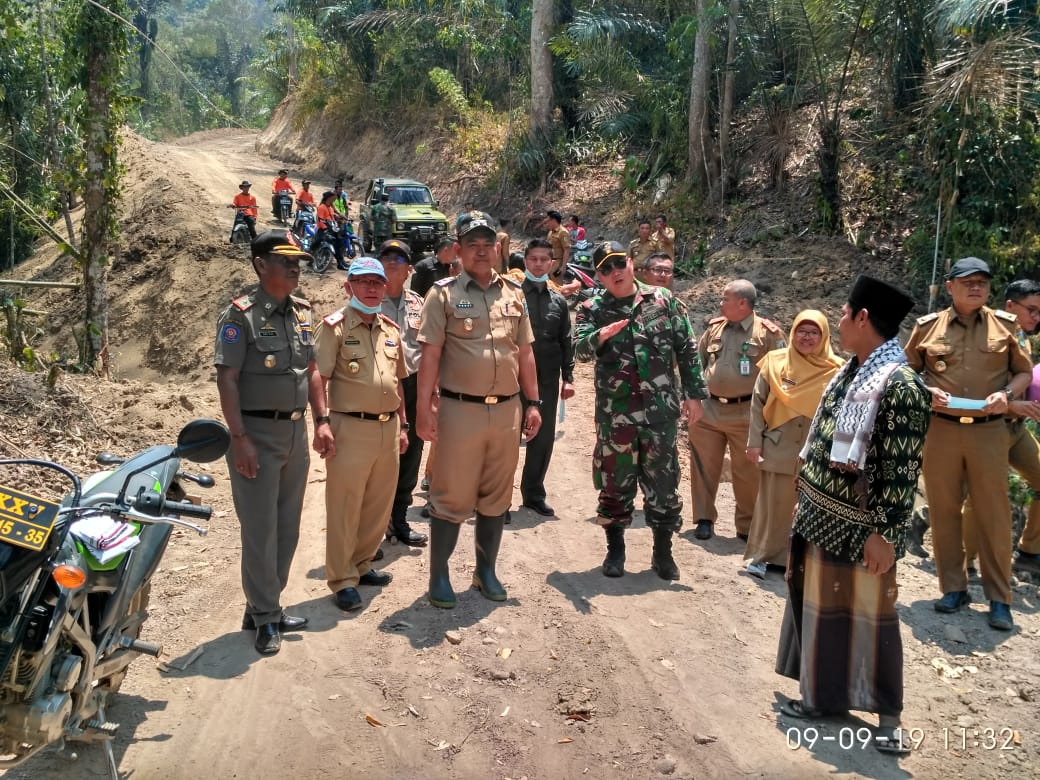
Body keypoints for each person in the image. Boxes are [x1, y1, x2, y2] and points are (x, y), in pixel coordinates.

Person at [775, 274, 929, 756]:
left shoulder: (900, 385)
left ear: (863, 318)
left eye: (842, 314)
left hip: (861, 529)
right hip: (820, 517)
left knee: (871, 616)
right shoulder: (851, 371)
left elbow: (901, 471)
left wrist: (884, 534)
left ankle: (888, 718)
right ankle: (821, 698)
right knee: (821, 612)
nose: (837, 321)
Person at [214, 229, 332, 656]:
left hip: (295, 433)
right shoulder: (239, 316)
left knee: (286, 527)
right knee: (260, 530)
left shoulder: (302, 311)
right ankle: (266, 616)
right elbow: (227, 378)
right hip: (255, 435)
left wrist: (322, 420)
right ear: (261, 264)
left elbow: (313, 370)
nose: (295, 266)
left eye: (298, 259)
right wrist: (239, 438)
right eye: (286, 260)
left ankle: (263, 605)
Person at [416, 211, 542, 609]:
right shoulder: (443, 294)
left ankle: (485, 571)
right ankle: (439, 576)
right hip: (459, 411)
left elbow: (525, 354)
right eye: (473, 244)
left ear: (498, 249)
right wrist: (423, 407)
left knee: (496, 495)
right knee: (451, 495)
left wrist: (533, 402)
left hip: (506, 412)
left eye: (489, 244)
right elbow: (430, 355)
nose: (482, 251)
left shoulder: (514, 294)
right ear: (458, 250)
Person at [905, 257, 1032, 631]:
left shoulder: (1005, 326)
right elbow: (906, 370)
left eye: (982, 282)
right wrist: (924, 390)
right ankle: (953, 588)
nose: (976, 287)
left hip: (989, 430)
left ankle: (999, 599)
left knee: (993, 512)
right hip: (941, 430)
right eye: (967, 282)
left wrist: (1006, 394)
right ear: (950, 287)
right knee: (944, 510)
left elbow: (1024, 371)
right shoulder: (927, 328)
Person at [573, 241, 707, 580]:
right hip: (616, 415)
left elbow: (687, 349)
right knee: (616, 484)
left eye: (619, 263)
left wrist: (695, 395)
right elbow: (579, 351)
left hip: (660, 413)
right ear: (599, 276)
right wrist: (600, 336)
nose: (614, 272)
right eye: (605, 268)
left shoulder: (664, 302)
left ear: (631, 263)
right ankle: (615, 550)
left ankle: (663, 553)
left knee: (663, 484)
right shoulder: (591, 308)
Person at [315, 257, 409, 612]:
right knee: (345, 506)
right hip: (349, 427)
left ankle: (362, 564)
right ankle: (341, 579)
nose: (371, 289)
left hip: (387, 428)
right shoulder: (334, 328)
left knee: (377, 504)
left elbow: (397, 381)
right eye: (364, 282)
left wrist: (403, 425)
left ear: (385, 287)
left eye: (377, 283)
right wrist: (321, 422)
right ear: (348, 286)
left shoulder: (390, 329)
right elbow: (319, 378)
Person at [744, 311, 843, 578]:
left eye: (814, 332)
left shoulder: (837, 369)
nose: (806, 337)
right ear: (792, 333)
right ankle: (763, 556)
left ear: (824, 337)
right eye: (801, 330)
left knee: (809, 507)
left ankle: (798, 560)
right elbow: (757, 406)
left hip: (816, 450)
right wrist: (754, 443)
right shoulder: (775, 363)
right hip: (778, 444)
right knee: (773, 504)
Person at [689, 280, 785, 541]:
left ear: (742, 303)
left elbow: (780, 376)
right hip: (708, 410)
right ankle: (704, 519)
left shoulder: (768, 334)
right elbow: (696, 364)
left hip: (746, 414)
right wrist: (691, 398)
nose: (720, 304)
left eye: (725, 299)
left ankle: (746, 526)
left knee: (748, 473)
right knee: (703, 466)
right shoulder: (714, 328)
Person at [961, 279, 1040, 576]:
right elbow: (970, 390)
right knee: (976, 496)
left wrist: (1028, 405)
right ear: (1010, 306)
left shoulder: (1022, 336)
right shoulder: (985, 338)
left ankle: (1029, 553)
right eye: (1031, 310)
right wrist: (1012, 405)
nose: (1036, 317)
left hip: (1016, 429)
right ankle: (962, 565)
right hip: (986, 428)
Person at [518, 238, 575, 517]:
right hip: (512, 379)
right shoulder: (513, 295)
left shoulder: (559, 301)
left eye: (544, 259)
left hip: (548, 381)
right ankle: (497, 499)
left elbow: (566, 340)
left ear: (552, 263)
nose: (539, 264)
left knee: (542, 439)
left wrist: (569, 377)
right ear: (525, 261)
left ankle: (533, 494)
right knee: (505, 440)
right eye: (534, 259)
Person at [378, 238, 429, 547]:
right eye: (387, 257)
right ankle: (376, 523)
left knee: (412, 453)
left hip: (413, 384)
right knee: (382, 455)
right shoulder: (369, 299)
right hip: (381, 387)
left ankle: (399, 519)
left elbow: (428, 347)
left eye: (399, 258)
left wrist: (431, 393)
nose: (392, 262)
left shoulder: (418, 303)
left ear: (410, 269)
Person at [315, 190, 345, 270]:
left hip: (331, 229)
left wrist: (339, 217)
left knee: (340, 243)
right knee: (318, 242)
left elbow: (333, 215)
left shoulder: (330, 207)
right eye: (333, 197)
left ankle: (341, 262)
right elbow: (320, 221)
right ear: (329, 198)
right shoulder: (322, 207)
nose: (334, 199)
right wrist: (325, 229)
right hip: (323, 229)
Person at [546, 210, 571, 281]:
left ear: (553, 220)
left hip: (558, 262)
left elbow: (567, 249)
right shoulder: (551, 232)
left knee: (556, 284)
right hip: (549, 261)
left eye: (548, 221)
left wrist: (563, 266)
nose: (547, 223)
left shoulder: (563, 232)